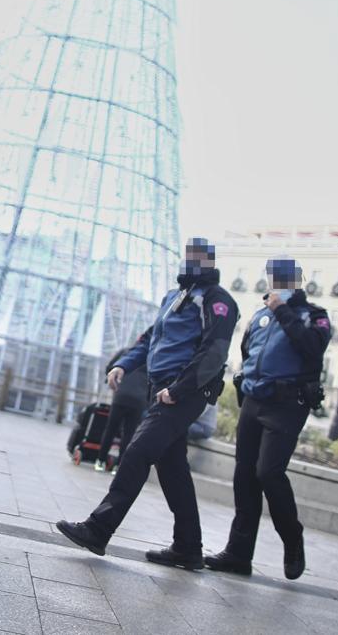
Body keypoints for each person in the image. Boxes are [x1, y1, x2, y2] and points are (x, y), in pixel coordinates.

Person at [56, 238, 239, 570]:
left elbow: (214, 352)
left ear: (210, 263)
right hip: (159, 388)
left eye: (198, 259)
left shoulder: (218, 300)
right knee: (173, 470)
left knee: (137, 452)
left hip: (184, 391)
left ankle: (98, 529)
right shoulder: (175, 297)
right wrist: (123, 364)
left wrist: (179, 389)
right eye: (188, 257)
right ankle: (188, 548)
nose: (190, 263)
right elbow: (150, 338)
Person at [206, 257, 330, 581]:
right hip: (254, 400)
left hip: (287, 405)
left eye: (285, 278)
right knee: (244, 476)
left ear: (298, 280)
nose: (277, 283)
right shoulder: (260, 315)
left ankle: (293, 539)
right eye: (274, 277)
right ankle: (238, 553)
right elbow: (248, 350)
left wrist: (282, 310)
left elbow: (312, 349)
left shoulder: (314, 316)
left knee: (269, 473)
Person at [96, 343, 149, 472]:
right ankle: (119, 466)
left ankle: (100, 461)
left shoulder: (126, 351)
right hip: (139, 400)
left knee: (111, 429)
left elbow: (110, 368)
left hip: (121, 395)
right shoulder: (152, 357)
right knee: (129, 433)